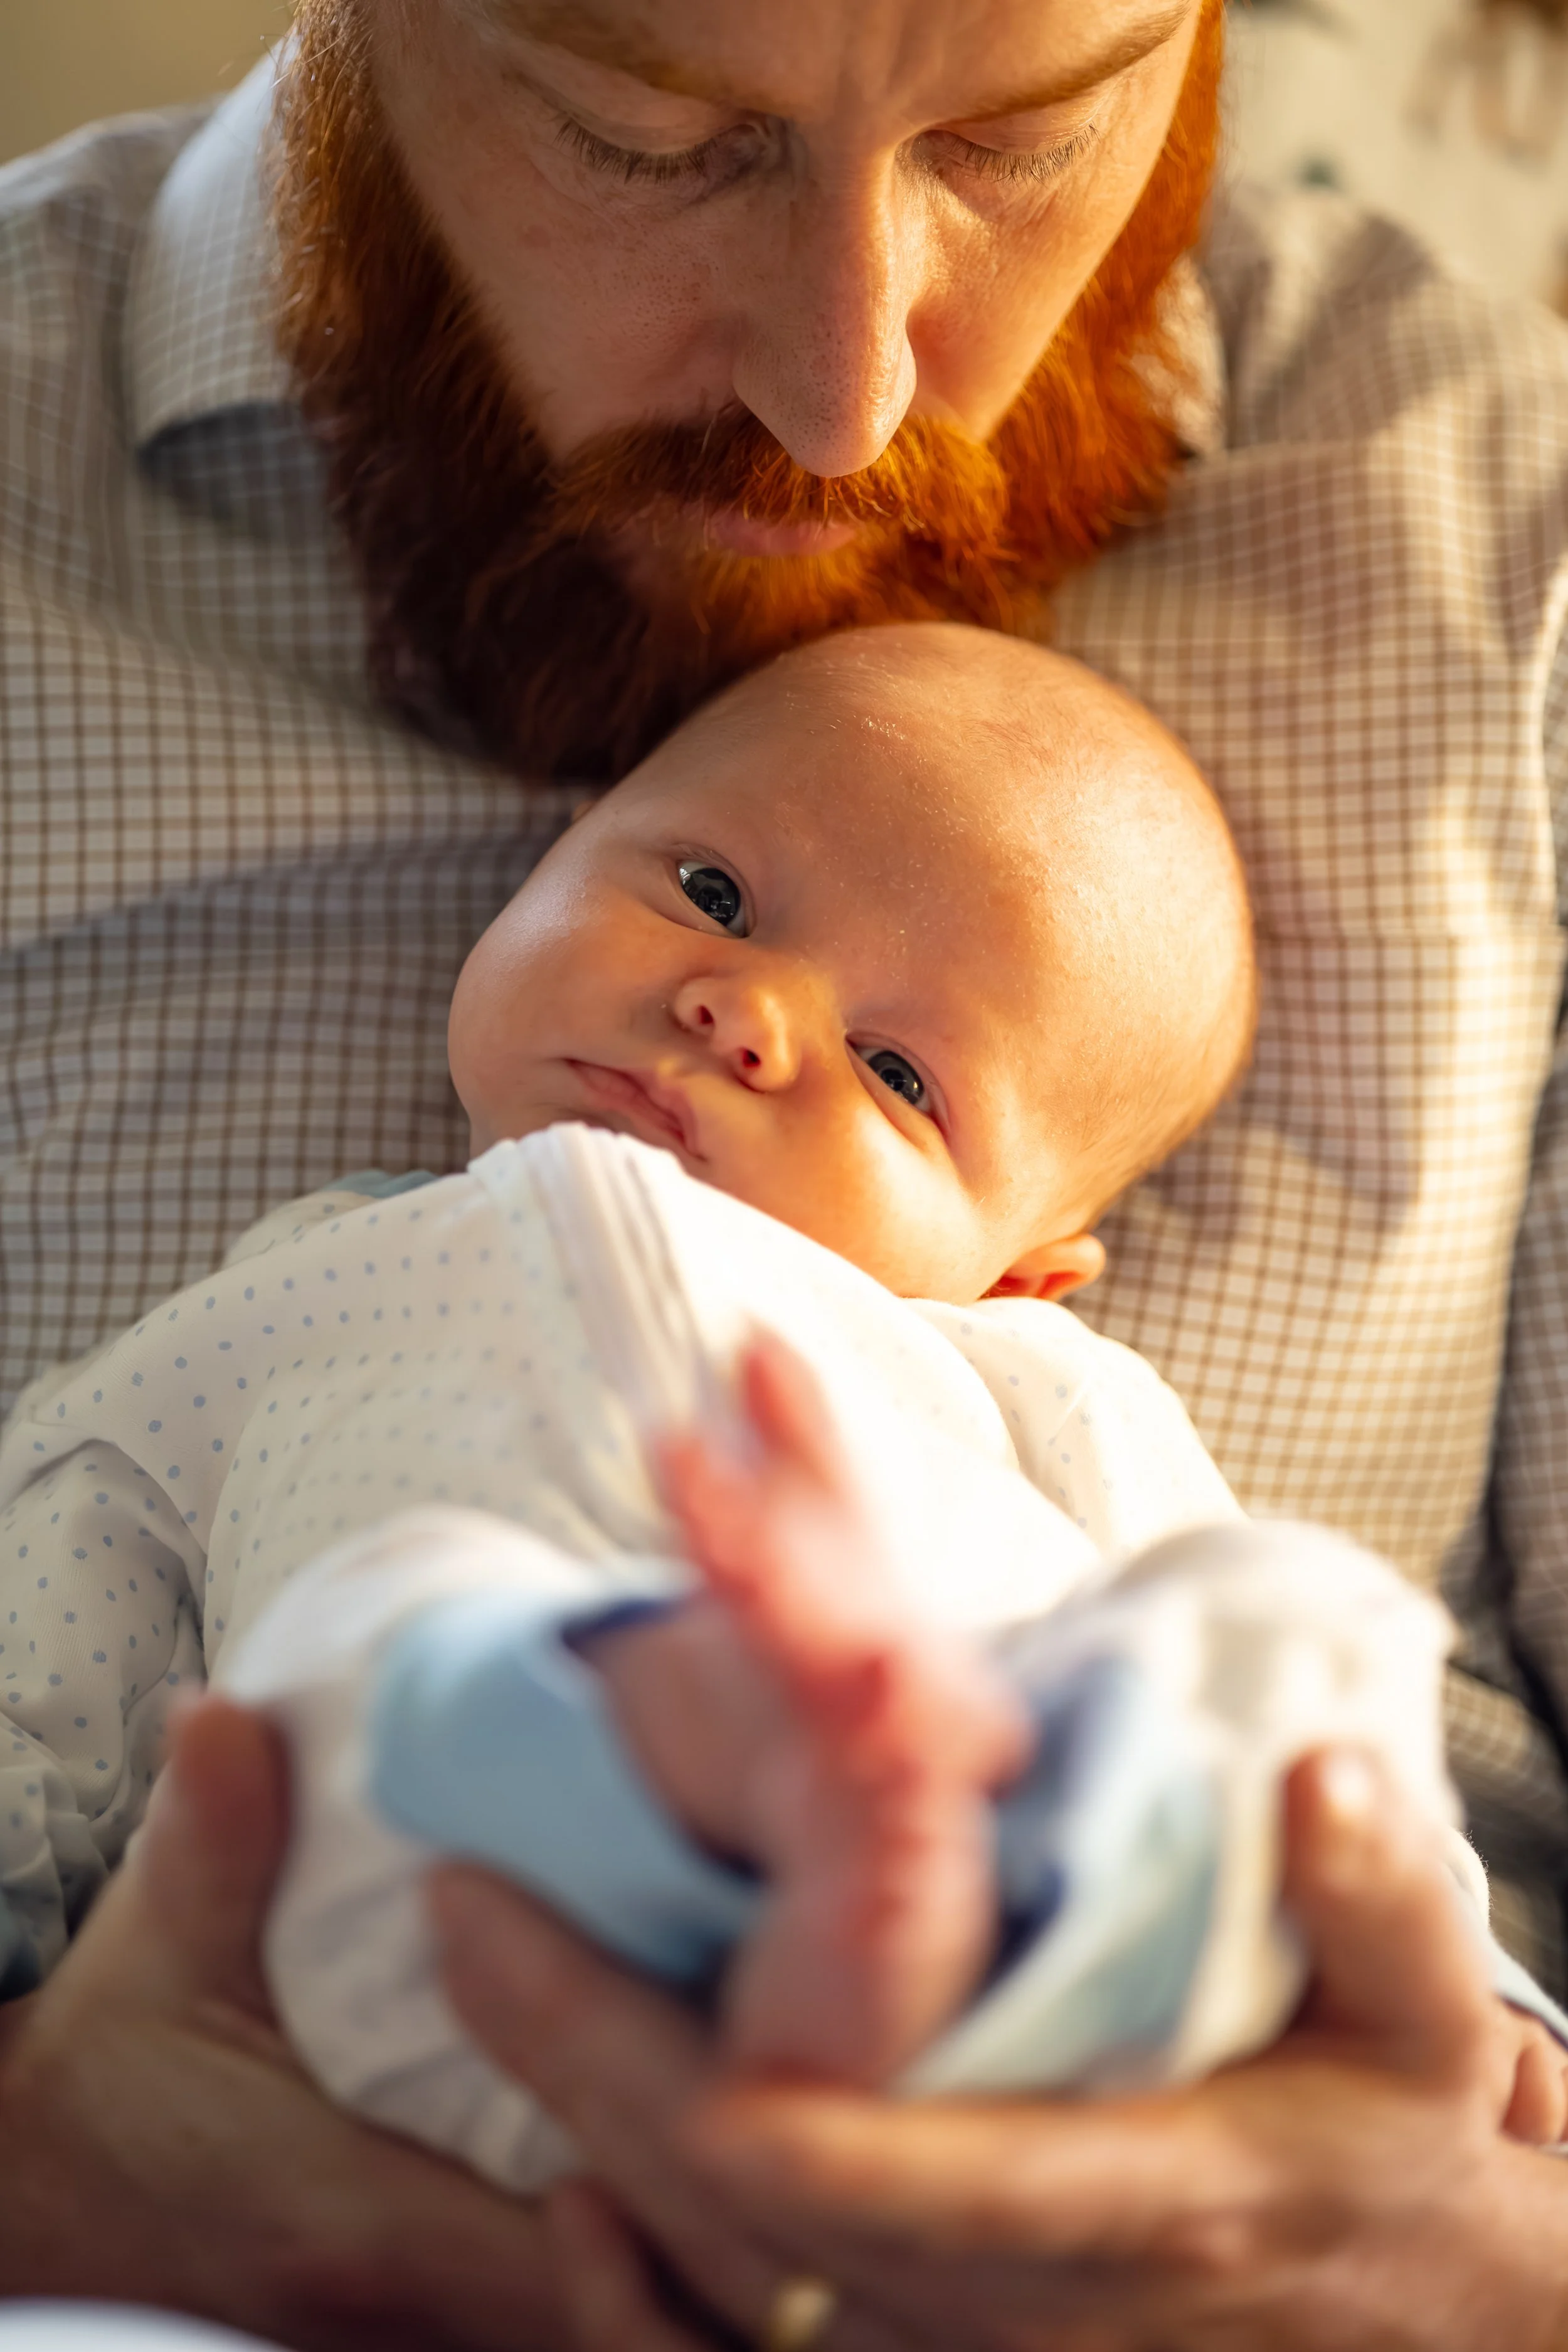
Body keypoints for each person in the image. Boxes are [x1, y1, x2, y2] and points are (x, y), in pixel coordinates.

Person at [5, 0, 1568, 2341]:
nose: (850, 391)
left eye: (1025, 136)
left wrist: (1483, 2236)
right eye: (642, 136)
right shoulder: (286, 1304)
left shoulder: (1510, 547)